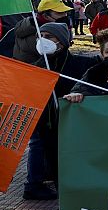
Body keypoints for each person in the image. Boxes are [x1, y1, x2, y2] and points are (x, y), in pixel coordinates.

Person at [23, 23, 97, 200]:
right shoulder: (36, 66)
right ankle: (35, 184)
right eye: (40, 35)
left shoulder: (83, 64)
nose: (43, 40)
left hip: (73, 124)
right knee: (39, 147)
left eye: (49, 36)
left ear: (62, 42)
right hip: (44, 123)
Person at [13, 0, 72, 64]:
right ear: (46, 16)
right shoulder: (38, 35)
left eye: (65, 12)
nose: (64, 15)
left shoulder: (53, 29)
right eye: (59, 13)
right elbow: (53, 59)